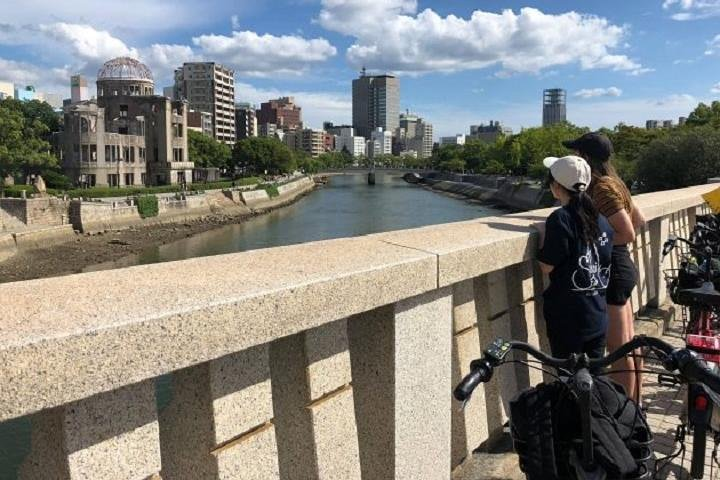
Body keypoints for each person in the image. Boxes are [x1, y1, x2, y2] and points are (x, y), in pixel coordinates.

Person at [563, 132, 646, 402]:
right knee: (630, 345)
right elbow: (640, 220)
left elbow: (628, 232)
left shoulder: (601, 188)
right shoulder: (616, 182)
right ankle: (636, 408)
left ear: (586, 157)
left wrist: (599, 244)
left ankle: (627, 414)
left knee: (618, 349)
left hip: (614, 271)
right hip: (622, 269)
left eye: (577, 154)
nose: (574, 158)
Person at [535, 155, 614, 360]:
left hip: (568, 317)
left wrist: (543, 234)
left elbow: (546, 266)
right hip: (597, 313)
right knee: (594, 377)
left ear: (556, 187)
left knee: (568, 379)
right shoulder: (602, 220)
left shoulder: (561, 218)